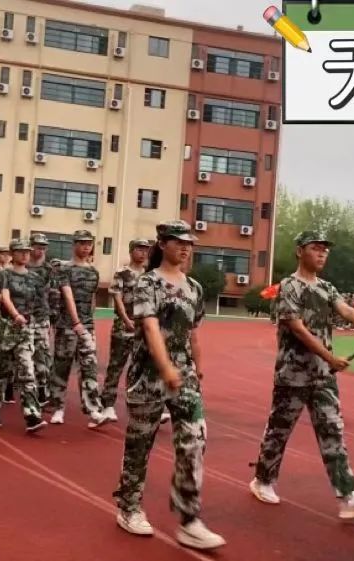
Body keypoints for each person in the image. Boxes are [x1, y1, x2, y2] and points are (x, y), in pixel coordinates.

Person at [249, 231, 354, 520]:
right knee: (279, 431)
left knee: (332, 430)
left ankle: (347, 496)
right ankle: (263, 479)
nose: (322, 253)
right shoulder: (289, 287)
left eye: (325, 249)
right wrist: (330, 357)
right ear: (300, 251)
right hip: (293, 375)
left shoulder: (326, 288)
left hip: (323, 376)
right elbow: (297, 329)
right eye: (316, 248)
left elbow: (346, 310)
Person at [113, 220, 224, 550]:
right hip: (148, 376)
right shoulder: (147, 283)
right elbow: (149, 327)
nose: (185, 247)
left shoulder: (194, 288)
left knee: (194, 440)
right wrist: (165, 369)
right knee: (139, 445)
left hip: (184, 377)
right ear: (162, 244)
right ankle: (129, 507)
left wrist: (197, 369)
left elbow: (193, 333)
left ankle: (189, 518)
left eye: (189, 243)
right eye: (178, 242)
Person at [0, 238, 46, 432]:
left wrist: (38, 323)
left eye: (27, 251)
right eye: (20, 251)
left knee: (27, 371)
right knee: (0, 372)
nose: (25, 255)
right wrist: (15, 315)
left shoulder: (34, 277)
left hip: (26, 328)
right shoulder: (4, 274)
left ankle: (32, 415)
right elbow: (4, 297)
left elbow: (39, 303)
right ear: (12, 254)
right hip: (6, 327)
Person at [48, 230, 108, 427]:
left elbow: (92, 299)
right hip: (67, 326)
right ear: (74, 245)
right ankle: (58, 408)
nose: (86, 247)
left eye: (89, 243)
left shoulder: (93, 272)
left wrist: (89, 322)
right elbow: (67, 295)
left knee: (89, 367)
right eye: (82, 243)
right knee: (62, 367)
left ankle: (93, 410)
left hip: (87, 327)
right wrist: (76, 322)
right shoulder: (64, 269)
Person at [102, 238, 151, 421]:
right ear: (131, 251)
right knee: (116, 366)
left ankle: (140, 405)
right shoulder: (122, 273)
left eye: (146, 250)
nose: (143, 253)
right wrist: (125, 319)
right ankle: (107, 405)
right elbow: (117, 298)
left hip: (143, 329)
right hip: (124, 326)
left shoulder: (149, 275)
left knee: (141, 368)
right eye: (139, 249)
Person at [26, 234, 54, 405]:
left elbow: (53, 293)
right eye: (37, 247)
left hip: (41, 316)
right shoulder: (22, 266)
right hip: (23, 316)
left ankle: (43, 389)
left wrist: (51, 317)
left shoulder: (48, 270)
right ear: (30, 247)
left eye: (43, 247)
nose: (41, 250)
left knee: (42, 353)